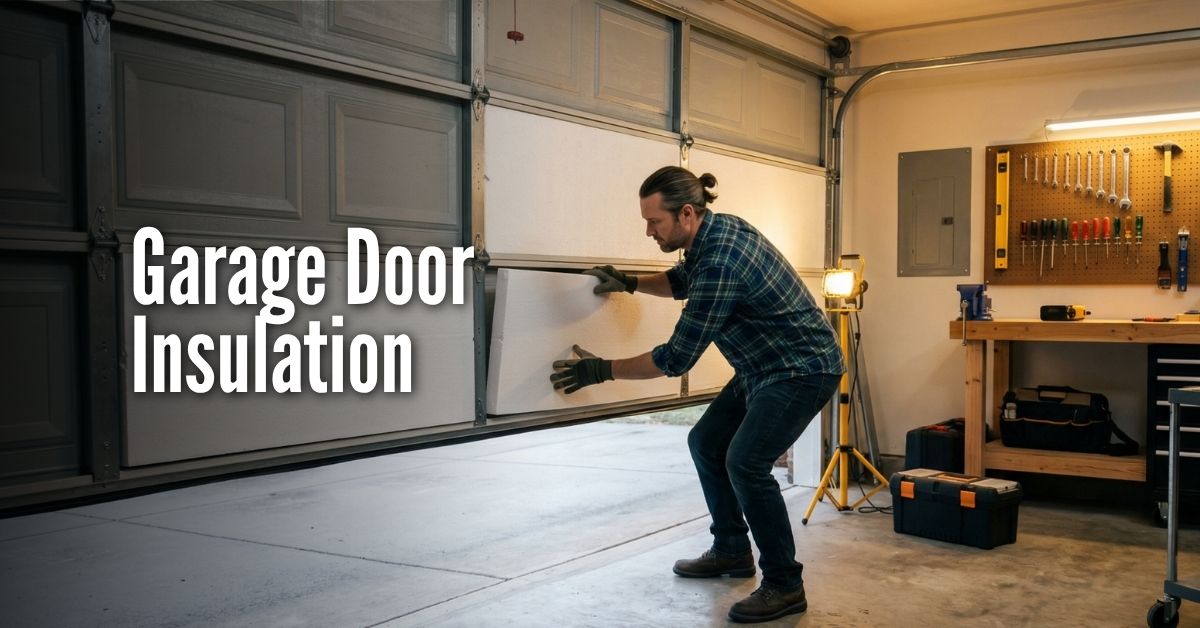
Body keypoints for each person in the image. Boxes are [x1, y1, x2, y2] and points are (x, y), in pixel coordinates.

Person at [549, 165, 844, 623]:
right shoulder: (715, 231)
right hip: (760, 366)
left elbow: (676, 358)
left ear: (686, 213)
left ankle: (785, 584)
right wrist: (630, 282)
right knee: (705, 441)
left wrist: (600, 369)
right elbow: (684, 281)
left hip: (801, 369)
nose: (648, 231)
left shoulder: (722, 261)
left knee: (746, 461)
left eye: (655, 222)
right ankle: (730, 549)